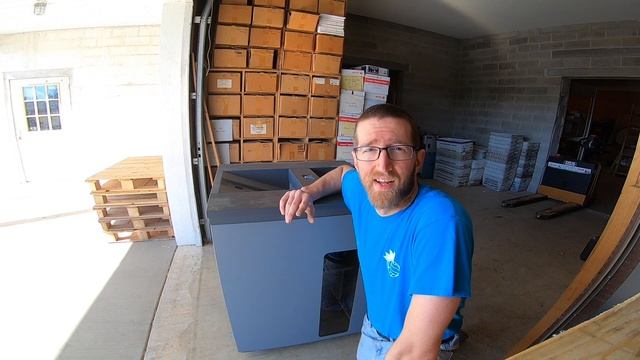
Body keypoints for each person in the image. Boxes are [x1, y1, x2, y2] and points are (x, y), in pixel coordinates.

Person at [279, 104, 474, 360]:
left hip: (409, 344)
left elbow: (415, 350)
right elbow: (340, 173)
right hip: (374, 325)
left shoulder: (441, 222)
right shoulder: (362, 192)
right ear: (357, 159)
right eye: (370, 150)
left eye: (398, 149)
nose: (383, 166)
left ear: (419, 160)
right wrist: (309, 191)